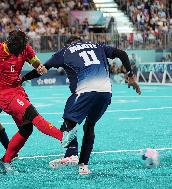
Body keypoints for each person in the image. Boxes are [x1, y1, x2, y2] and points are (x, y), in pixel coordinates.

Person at [0, 30, 77, 173]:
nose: (18, 53)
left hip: (18, 91)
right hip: (4, 95)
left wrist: (39, 66)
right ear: (9, 44)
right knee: (33, 115)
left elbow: (35, 62)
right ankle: (62, 137)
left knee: (26, 129)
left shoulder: (24, 48)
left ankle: (5, 161)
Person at [22, 36, 141, 175]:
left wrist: (23, 78)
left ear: (69, 43)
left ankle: (72, 154)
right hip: (106, 92)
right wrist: (130, 75)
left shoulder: (65, 51)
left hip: (86, 91)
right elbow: (122, 53)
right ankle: (83, 166)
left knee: (68, 119)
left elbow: (41, 70)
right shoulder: (98, 46)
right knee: (89, 126)